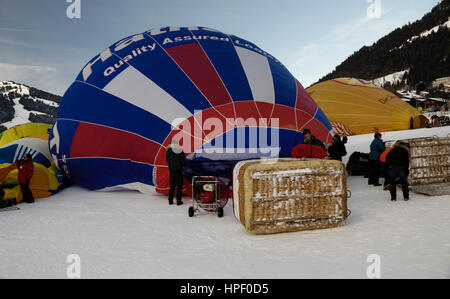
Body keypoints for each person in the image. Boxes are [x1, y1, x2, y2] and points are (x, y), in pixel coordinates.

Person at [166, 140, 186, 206]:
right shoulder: (180, 151)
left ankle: (170, 200)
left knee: (172, 187)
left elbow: (167, 160)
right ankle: (178, 201)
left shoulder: (168, 151)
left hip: (171, 171)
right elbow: (184, 161)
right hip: (179, 171)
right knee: (179, 187)